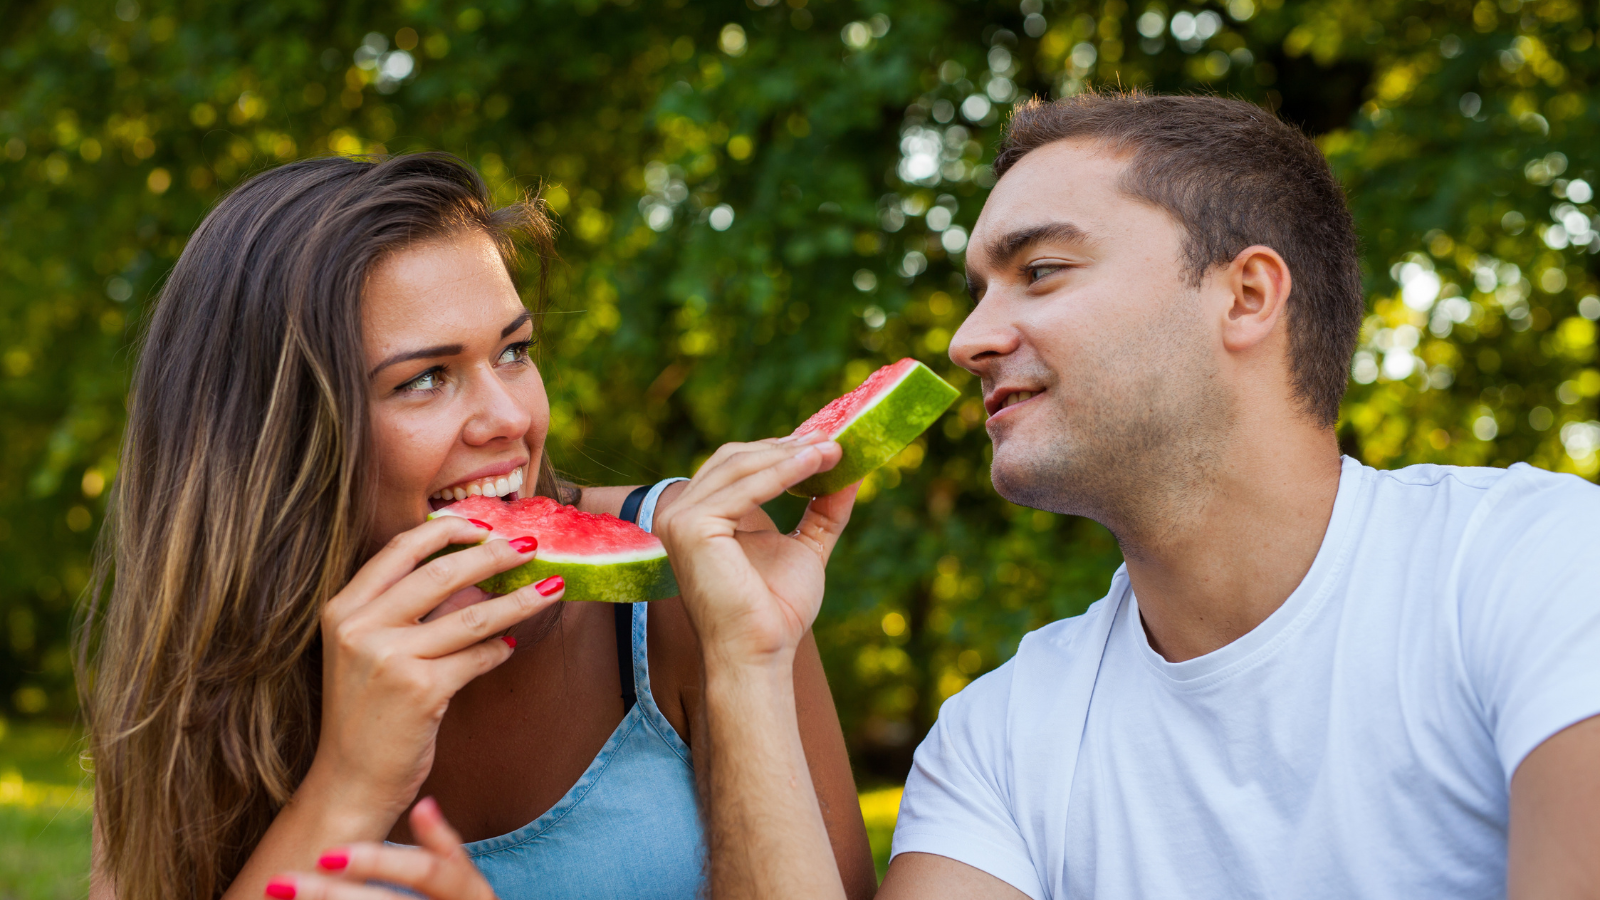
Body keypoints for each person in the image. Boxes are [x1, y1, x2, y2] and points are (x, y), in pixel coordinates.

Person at [656, 91, 1600, 899]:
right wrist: (748, 660)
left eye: (1040, 272)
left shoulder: (1536, 568)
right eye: (980, 289)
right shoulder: (1000, 737)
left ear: (1245, 296)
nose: (967, 340)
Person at [79, 153, 875, 900]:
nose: (510, 419)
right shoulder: (189, 677)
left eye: (514, 351)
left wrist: (751, 660)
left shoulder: (696, 578)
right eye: (425, 379)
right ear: (272, 435)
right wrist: (349, 784)